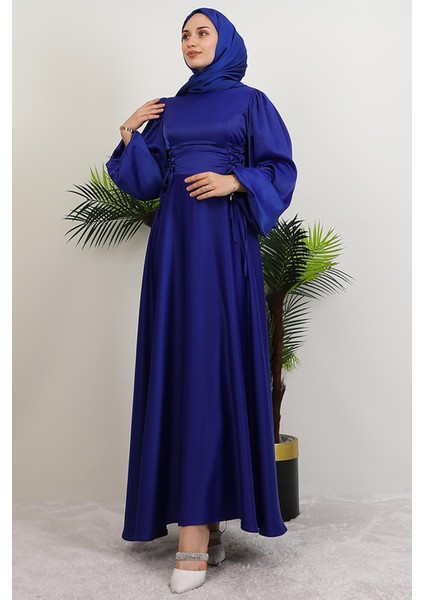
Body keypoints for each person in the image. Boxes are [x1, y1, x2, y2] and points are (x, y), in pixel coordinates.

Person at [106, 6, 297, 594]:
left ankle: (197, 531)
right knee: (182, 368)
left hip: (224, 248)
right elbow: (144, 184)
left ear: (226, 41)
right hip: (174, 250)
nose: (191, 41)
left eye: (202, 32)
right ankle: (202, 524)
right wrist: (129, 133)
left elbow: (280, 169)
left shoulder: (251, 103)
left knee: (213, 369)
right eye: (185, 34)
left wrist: (235, 181)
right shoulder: (169, 109)